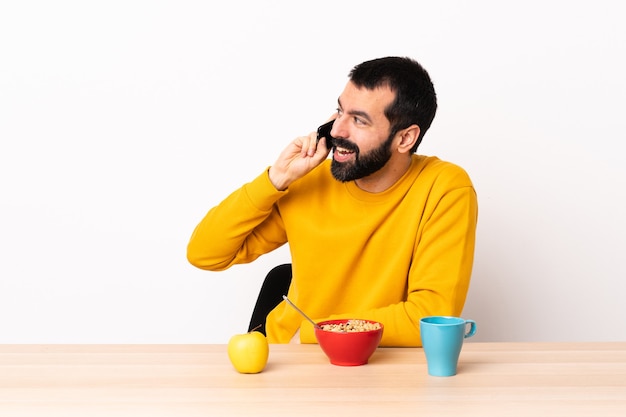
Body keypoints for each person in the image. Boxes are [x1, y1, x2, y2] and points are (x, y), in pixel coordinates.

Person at [187, 56, 478, 347]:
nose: (338, 130)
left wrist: (319, 334)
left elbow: (430, 318)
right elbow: (205, 254)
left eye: (359, 120)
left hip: (374, 368)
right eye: (340, 111)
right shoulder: (310, 180)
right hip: (287, 358)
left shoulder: (444, 189)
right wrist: (275, 180)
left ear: (405, 138)